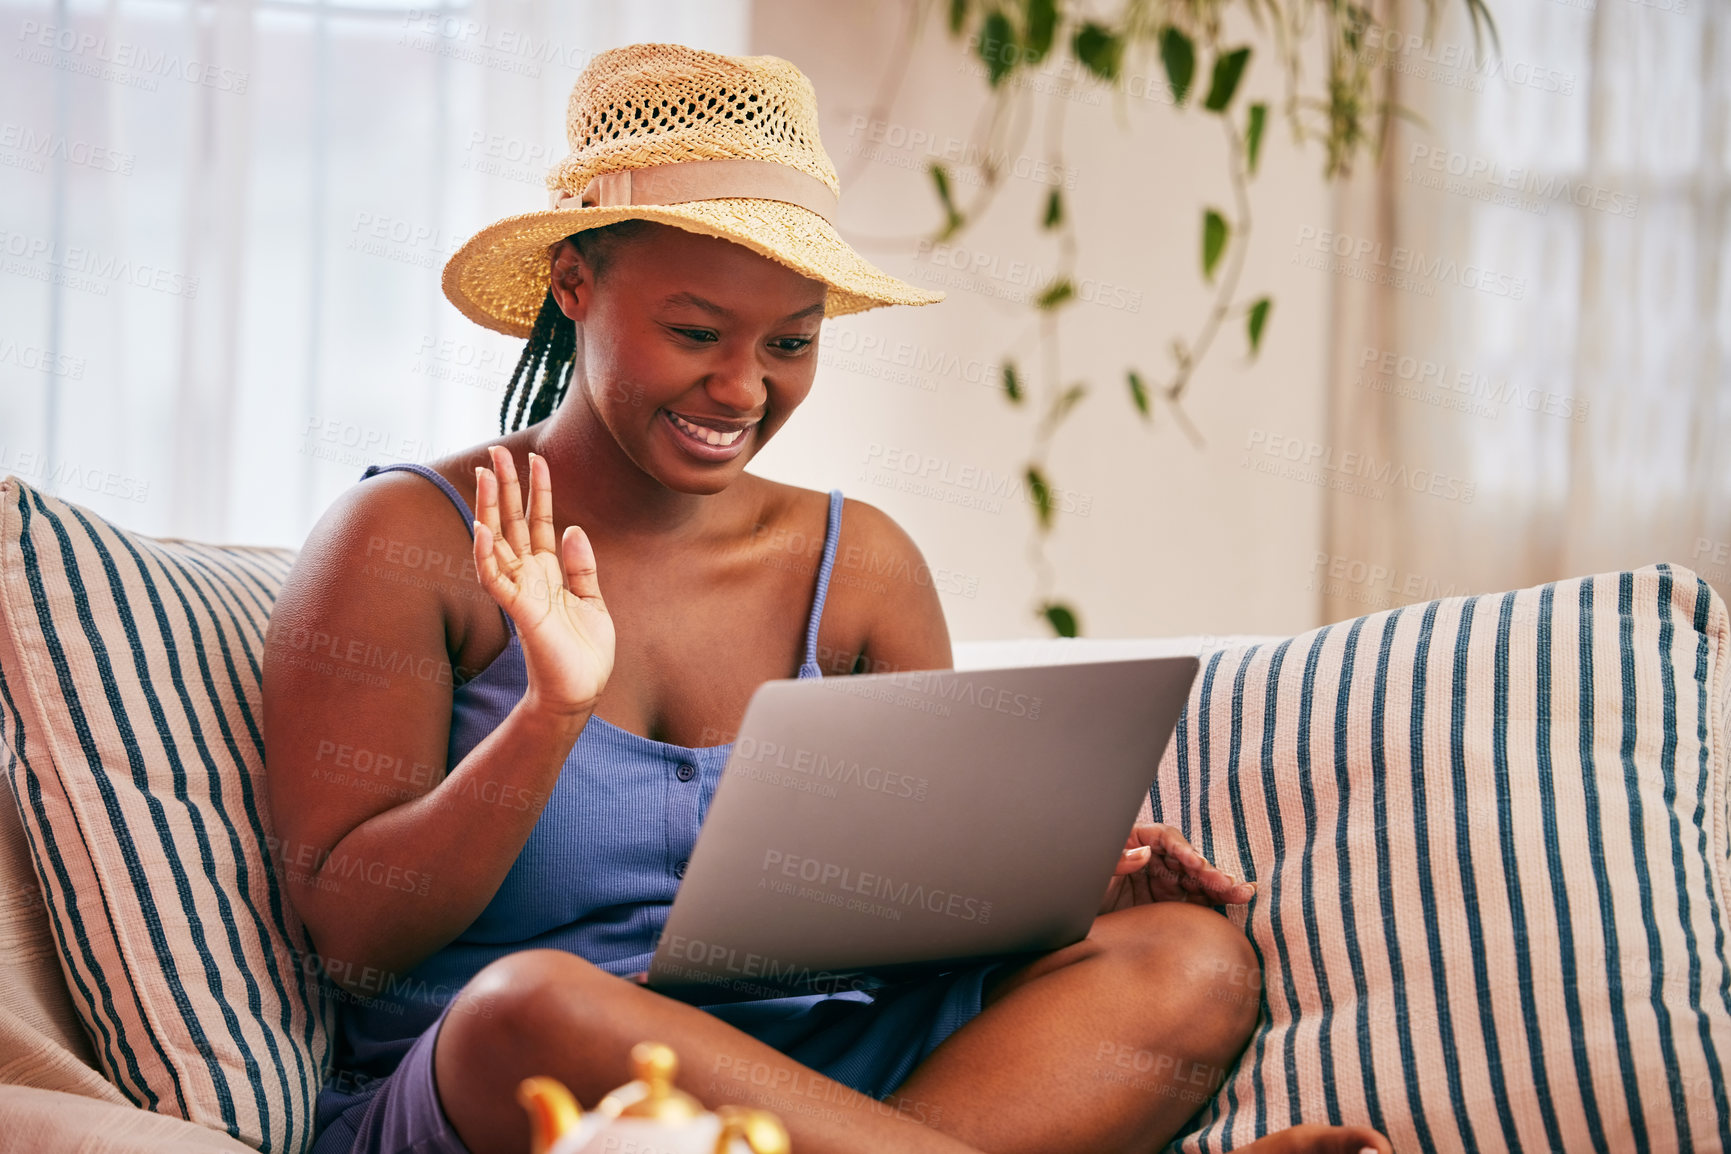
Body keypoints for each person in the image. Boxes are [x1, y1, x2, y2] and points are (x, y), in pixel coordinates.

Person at [263, 42, 1391, 1154]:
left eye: (791, 343)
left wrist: (1045, 882)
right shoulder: (409, 538)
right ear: (574, 281)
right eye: (696, 332)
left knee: (1187, 959)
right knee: (526, 1006)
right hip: (543, 1089)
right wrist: (548, 715)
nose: (744, 388)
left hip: (828, 1079)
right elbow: (352, 926)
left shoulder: (861, 565)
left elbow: (917, 912)